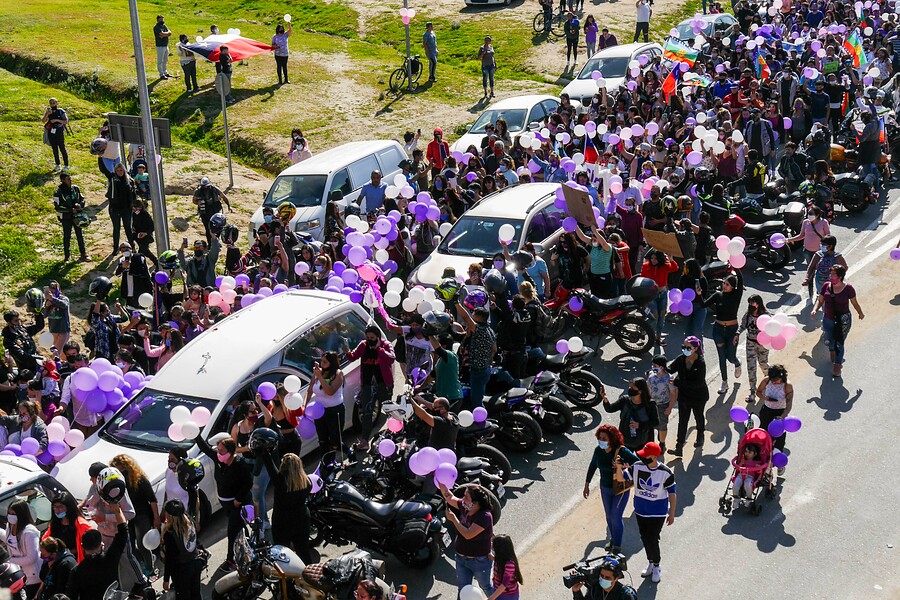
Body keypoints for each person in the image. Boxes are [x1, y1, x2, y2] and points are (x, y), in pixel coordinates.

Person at [614, 441, 676, 584]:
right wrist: (618, 467)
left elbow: (672, 494)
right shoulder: (637, 467)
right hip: (641, 510)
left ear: (654, 457)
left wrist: (671, 513)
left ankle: (656, 566)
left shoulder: (666, 472)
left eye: (646, 455)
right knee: (644, 537)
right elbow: (620, 478)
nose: (642, 457)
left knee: (653, 538)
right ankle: (650, 561)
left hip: (657, 513)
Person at [194, 434, 252, 573]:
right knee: (239, 527)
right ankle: (248, 544)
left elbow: (248, 483)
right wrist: (195, 434)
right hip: (225, 504)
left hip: (237, 505)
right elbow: (205, 448)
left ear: (231, 452)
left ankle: (231, 560)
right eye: (218, 450)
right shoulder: (218, 459)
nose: (218, 453)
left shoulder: (240, 465)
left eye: (221, 451)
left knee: (232, 532)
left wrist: (238, 498)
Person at [583, 424, 639, 554]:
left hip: (620, 490)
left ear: (612, 439)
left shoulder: (622, 451)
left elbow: (637, 463)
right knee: (609, 516)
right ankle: (614, 539)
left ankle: (617, 546)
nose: (601, 441)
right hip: (605, 488)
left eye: (604, 438)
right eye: (600, 438)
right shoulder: (598, 451)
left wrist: (624, 467)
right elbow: (592, 466)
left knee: (615, 516)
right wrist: (587, 484)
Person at [108, 455, 160, 579]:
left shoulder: (139, 479)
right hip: (128, 516)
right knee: (130, 545)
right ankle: (143, 563)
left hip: (142, 515)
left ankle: (150, 569)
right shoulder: (118, 483)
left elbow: (152, 499)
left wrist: (156, 517)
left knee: (143, 545)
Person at [438, 482, 494, 595]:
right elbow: (449, 497)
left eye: (466, 497)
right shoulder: (465, 506)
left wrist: (454, 519)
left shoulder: (484, 517)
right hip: (461, 558)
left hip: (479, 561)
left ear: (476, 503)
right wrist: (439, 480)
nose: (463, 499)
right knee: (463, 590)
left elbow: (468, 534)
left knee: (486, 587)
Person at [65, 502, 127, 600]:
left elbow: (71, 596)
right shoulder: (109, 559)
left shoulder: (76, 571)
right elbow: (123, 533)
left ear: (82, 546)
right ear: (101, 544)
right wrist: (117, 511)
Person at [346, 326, 395, 448]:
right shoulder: (363, 345)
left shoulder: (385, 345)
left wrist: (379, 349)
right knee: (367, 412)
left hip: (383, 383)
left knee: (389, 408)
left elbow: (391, 359)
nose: (369, 340)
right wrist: (346, 351)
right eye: (367, 337)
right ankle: (364, 441)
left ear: (377, 337)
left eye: (372, 338)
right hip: (367, 385)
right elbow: (353, 357)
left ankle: (395, 432)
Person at [812, 264, 864, 378]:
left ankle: (837, 365)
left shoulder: (848, 288)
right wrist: (815, 309)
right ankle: (831, 349)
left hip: (843, 320)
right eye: (830, 273)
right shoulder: (826, 286)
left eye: (833, 274)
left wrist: (860, 313)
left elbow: (854, 303)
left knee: (839, 342)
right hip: (828, 319)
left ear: (840, 276)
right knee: (829, 340)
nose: (830, 276)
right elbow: (820, 300)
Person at [261, 452, 312, 563]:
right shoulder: (307, 482)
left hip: (282, 522)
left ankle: (288, 579)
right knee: (303, 551)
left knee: (282, 553)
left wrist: (264, 451)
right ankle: (309, 576)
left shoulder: (279, 482)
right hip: (301, 519)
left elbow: (269, 465)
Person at [666, 336, 709, 457]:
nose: (685, 349)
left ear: (695, 349)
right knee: (682, 421)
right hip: (684, 396)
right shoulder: (681, 359)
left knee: (698, 416)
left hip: (698, 396)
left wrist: (677, 383)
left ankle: (700, 434)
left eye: (688, 347)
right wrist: (660, 366)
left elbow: (698, 383)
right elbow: (671, 369)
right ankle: (679, 446)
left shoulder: (700, 363)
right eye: (683, 347)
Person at [704, 269, 744, 394]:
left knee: (730, 357)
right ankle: (724, 382)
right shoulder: (717, 295)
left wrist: (736, 267)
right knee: (721, 356)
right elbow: (703, 304)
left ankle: (737, 363)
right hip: (718, 329)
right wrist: (699, 294)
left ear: (733, 287)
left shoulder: (736, 295)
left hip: (732, 330)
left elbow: (741, 281)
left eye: (727, 284)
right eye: (724, 283)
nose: (724, 286)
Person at [304, 351, 345, 454]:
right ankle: (326, 465)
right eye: (321, 361)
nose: (322, 364)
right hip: (319, 412)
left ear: (331, 363)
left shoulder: (338, 374)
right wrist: (304, 405)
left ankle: (349, 453)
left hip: (334, 411)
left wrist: (320, 377)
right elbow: (309, 391)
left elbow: (330, 392)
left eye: (325, 362)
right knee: (323, 441)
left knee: (335, 443)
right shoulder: (318, 373)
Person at [603, 378, 659, 452]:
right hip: (625, 441)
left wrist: (639, 425)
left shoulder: (650, 405)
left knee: (641, 463)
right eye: (630, 387)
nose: (630, 389)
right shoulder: (624, 400)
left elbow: (655, 422)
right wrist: (605, 400)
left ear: (640, 391)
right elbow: (610, 409)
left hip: (642, 442)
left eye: (632, 388)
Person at [457, 304, 496, 410]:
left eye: (474, 314)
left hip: (478, 371)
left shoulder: (480, 329)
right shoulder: (490, 330)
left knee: (476, 401)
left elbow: (465, 317)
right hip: (485, 369)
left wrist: (456, 303)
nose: (472, 316)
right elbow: (494, 349)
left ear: (479, 317)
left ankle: (482, 421)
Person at [160, 500, 200, 600]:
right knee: (196, 594)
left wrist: (166, 579)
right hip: (195, 563)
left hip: (181, 571)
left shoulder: (170, 534)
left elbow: (170, 558)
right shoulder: (190, 522)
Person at [754, 365, 793, 463]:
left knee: (779, 441)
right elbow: (758, 392)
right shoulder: (766, 381)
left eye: (777, 380)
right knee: (762, 437)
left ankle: (780, 463)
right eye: (773, 380)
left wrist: (782, 417)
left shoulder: (787, 386)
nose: (775, 382)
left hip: (780, 413)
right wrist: (765, 398)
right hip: (766, 411)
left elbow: (788, 406)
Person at [734, 295, 769, 403]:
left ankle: (768, 383)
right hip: (750, 343)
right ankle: (753, 392)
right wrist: (737, 333)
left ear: (758, 303)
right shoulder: (748, 314)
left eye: (753, 302)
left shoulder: (766, 315)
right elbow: (743, 325)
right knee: (751, 368)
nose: (751, 305)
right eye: (750, 303)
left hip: (763, 345)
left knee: (763, 365)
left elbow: (771, 329)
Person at [4, 500, 41, 599]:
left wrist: (10, 561)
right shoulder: (9, 526)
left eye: (13, 514)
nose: (10, 516)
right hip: (18, 575)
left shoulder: (29, 532)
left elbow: (32, 558)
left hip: (33, 577)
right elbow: (9, 540)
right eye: (9, 513)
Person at [42, 493, 93, 564]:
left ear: (69, 507)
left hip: (75, 563)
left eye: (60, 507)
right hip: (58, 563)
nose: (57, 510)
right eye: (55, 507)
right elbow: (45, 540)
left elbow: (91, 546)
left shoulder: (81, 525)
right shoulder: (55, 524)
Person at [53, 173, 87, 262]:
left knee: (80, 235)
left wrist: (80, 205)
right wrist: (70, 210)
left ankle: (83, 255)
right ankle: (67, 257)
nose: (70, 180)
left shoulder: (75, 189)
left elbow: (82, 199)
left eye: (70, 178)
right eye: (68, 179)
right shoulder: (58, 192)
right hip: (66, 217)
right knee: (67, 237)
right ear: (63, 180)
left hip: (77, 217)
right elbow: (57, 207)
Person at [803, 235, 847, 303]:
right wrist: (807, 278)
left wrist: (837, 279)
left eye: (823, 245)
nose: (821, 246)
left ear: (830, 246)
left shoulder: (837, 257)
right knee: (823, 302)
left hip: (832, 286)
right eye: (821, 244)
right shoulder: (818, 255)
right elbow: (811, 267)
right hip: (820, 284)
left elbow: (844, 268)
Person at [570, 555, 637, 599]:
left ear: (617, 578)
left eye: (607, 577)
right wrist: (576, 591)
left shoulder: (625, 596)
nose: (603, 579)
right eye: (601, 576)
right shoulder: (595, 588)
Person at [647, 356, 676, 454]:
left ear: (662, 367)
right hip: (651, 404)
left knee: (662, 426)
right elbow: (648, 387)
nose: (653, 367)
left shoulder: (668, 378)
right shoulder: (651, 374)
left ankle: (662, 444)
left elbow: (673, 393)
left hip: (663, 405)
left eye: (655, 365)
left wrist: (670, 408)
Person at [192, 177, 231, 244]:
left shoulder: (214, 189)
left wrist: (229, 206)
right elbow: (194, 200)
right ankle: (210, 244)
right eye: (204, 186)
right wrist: (198, 203)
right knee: (208, 229)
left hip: (215, 211)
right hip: (205, 212)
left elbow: (223, 196)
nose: (205, 188)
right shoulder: (198, 191)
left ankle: (216, 241)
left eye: (207, 186)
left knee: (218, 227)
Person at [107, 163, 136, 251]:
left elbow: (133, 195)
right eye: (118, 170)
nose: (120, 172)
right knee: (116, 228)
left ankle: (132, 246)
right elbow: (110, 195)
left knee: (128, 227)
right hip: (115, 208)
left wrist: (134, 205)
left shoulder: (129, 180)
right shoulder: (113, 180)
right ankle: (115, 248)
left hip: (126, 208)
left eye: (121, 170)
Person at [730, 443, 765, 507]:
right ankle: (736, 499)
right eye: (746, 451)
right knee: (735, 486)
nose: (747, 454)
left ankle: (749, 499)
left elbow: (759, 472)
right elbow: (737, 468)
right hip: (741, 475)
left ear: (755, 454)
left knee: (748, 485)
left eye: (749, 452)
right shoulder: (743, 460)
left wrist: (758, 467)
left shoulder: (757, 463)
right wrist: (741, 463)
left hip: (750, 477)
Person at [488, 534, 522, 600]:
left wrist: (492, 597)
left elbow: (504, 584)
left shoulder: (509, 565)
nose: (491, 547)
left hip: (508, 595)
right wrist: (493, 558)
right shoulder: (501, 559)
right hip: (498, 591)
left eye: (493, 546)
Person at [42, 281, 71, 350]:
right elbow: (44, 315)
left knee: (57, 350)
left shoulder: (63, 298)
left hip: (63, 329)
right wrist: (46, 306)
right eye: (50, 289)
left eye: (54, 288)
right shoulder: (48, 301)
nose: (52, 291)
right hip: (53, 329)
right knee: (56, 350)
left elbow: (64, 305)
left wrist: (53, 299)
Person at [42, 98, 69, 171]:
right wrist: (47, 114)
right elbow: (43, 120)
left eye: (54, 103)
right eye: (51, 103)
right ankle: (58, 164)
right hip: (51, 131)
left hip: (59, 131)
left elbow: (66, 121)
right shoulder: (48, 111)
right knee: (54, 148)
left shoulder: (61, 111)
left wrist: (56, 120)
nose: (53, 104)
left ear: (57, 103)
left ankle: (66, 165)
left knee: (62, 148)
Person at [272, 20, 293, 85]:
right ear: (277, 30)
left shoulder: (285, 34)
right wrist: (276, 46)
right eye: (280, 29)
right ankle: (280, 80)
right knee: (279, 66)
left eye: (282, 29)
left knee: (284, 66)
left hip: (285, 54)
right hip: (277, 54)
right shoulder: (275, 36)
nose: (281, 31)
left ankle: (286, 79)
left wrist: (289, 24)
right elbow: (272, 44)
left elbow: (290, 31)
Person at [153, 15, 173, 79]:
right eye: (161, 19)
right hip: (160, 46)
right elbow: (161, 34)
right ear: (158, 20)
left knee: (165, 59)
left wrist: (165, 34)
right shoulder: (156, 27)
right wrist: (165, 34)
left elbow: (169, 32)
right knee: (160, 60)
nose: (162, 21)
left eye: (163, 19)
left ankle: (165, 72)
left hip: (165, 45)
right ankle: (161, 74)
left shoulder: (164, 26)